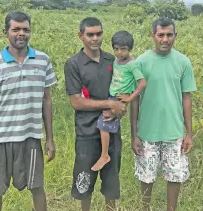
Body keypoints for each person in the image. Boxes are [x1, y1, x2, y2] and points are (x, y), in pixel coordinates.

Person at [0, 10, 57, 211]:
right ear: (6, 32)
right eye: (16, 29)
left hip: (30, 137)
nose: (21, 33)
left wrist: (49, 138)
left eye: (26, 29)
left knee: (37, 186)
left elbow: (46, 101)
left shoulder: (42, 60)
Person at [130, 17, 197, 211]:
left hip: (174, 133)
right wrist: (134, 135)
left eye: (169, 35)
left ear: (175, 36)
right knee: (146, 176)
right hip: (147, 133)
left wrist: (188, 133)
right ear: (153, 36)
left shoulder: (183, 62)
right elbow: (134, 101)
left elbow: (186, 98)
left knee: (175, 176)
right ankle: (145, 208)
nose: (165, 39)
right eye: (161, 35)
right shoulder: (141, 62)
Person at [64, 17, 126, 211]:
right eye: (90, 34)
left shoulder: (112, 60)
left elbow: (123, 89)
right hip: (86, 132)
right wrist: (108, 103)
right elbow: (76, 101)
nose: (95, 38)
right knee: (85, 182)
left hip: (111, 129)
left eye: (99, 33)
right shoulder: (74, 64)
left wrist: (119, 108)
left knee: (111, 182)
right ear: (81, 36)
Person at [91, 30, 146, 171]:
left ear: (130, 49)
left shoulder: (132, 64)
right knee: (104, 123)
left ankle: (104, 155)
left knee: (104, 122)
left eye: (123, 49)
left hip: (119, 97)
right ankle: (105, 154)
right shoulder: (115, 61)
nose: (119, 52)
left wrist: (129, 98)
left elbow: (142, 83)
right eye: (116, 49)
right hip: (112, 97)